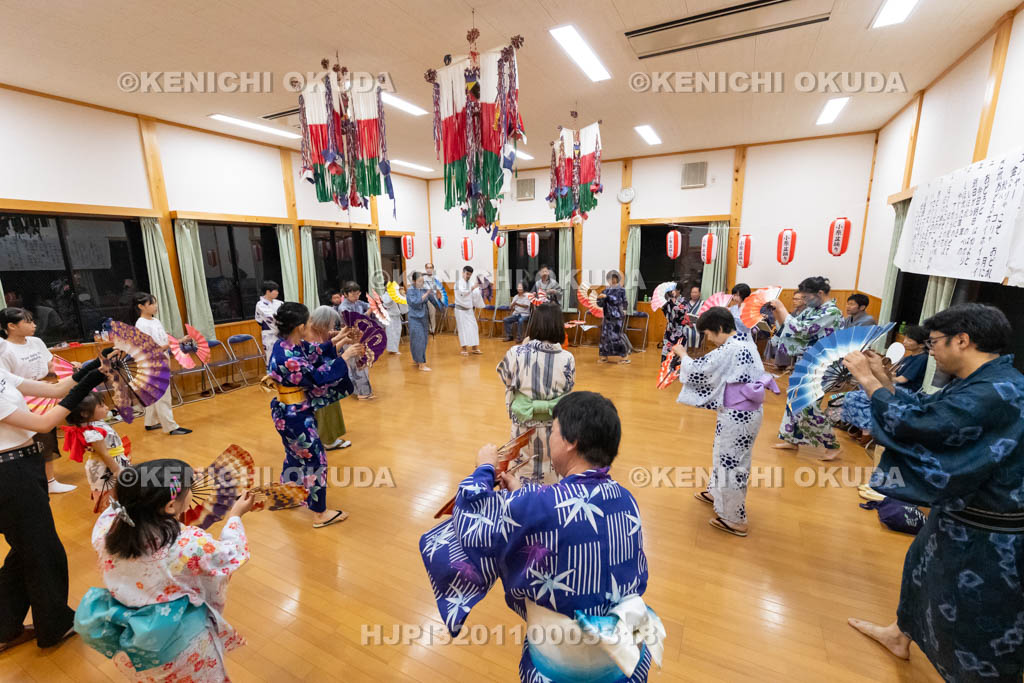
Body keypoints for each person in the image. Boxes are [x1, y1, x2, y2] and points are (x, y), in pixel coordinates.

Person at [419, 391, 665, 682]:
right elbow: (565, 517)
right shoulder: (626, 498)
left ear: (572, 442)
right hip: (626, 661)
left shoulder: (536, 505)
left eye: (555, 432)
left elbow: (474, 518)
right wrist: (520, 497)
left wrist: (484, 468)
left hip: (559, 668)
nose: (550, 439)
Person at [842, 303, 1024, 681]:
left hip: (990, 532)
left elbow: (927, 427)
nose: (931, 351)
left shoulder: (994, 392)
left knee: (974, 620)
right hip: (960, 512)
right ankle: (899, 635)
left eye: (934, 343)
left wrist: (869, 382)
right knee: (920, 572)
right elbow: (929, 410)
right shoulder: (985, 380)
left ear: (963, 340)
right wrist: (884, 380)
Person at [74, 459, 253, 680]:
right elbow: (231, 555)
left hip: (136, 643)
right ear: (169, 506)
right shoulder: (187, 544)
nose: (191, 492)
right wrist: (235, 516)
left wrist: (180, 478)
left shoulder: (108, 527)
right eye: (189, 489)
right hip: (181, 644)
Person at [0, 357, 109, 653]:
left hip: (22, 466)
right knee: (43, 551)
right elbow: (44, 422)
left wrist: (92, 367)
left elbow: (57, 388)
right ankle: (54, 624)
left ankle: (4, 627)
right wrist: (88, 384)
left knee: (27, 550)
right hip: (8, 474)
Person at [673, 308, 777, 537]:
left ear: (719, 328)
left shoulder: (732, 348)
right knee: (724, 453)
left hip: (739, 414)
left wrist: (682, 354)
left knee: (733, 462)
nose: (708, 339)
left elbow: (699, 370)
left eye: (709, 334)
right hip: (741, 413)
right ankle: (716, 493)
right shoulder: (745, 339)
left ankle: (735, 518)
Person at [267, 302, 361, 528]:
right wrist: (344, 357)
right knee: (316, 460)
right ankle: (320, 513)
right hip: (295, 415)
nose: (311, 324)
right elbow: (317, 376)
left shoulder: (287, 345)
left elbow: (315, 352)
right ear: (300, 327)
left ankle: (286, 494)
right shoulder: (288, 357)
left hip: (287, 412)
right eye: (308, 322)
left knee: (294, 455)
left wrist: (340, 341)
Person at [496, 303, 576, 485]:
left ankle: (521, 501)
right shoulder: (568, 358)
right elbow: (568, 389)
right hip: (554, 427)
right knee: (552, 468)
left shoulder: (516, 353)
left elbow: (506, 379)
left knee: (522, 466)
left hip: (524, 426)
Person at [0, 307, 75, 493]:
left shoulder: (36, 342)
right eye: (27, 322)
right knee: (39, 436)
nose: (34, 325)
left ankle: (49, 480)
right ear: (11, 326)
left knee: (48, 438)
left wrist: (70, 368)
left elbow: (50, 365)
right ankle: (45, 481)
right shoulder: (6, 349)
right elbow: (12, 382)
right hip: (24, 396)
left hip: (44, 389)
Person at [769, 277, 842, 458]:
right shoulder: (812, 309)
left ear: (820, 293)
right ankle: (791, 439)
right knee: (794, 399)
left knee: (809, 404)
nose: (805, 301)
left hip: (823, 363)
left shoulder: (832, 311)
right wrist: (778, 313)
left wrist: (782, 308)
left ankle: (832, 445)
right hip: (806, 360)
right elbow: (789, 325)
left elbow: (801, 329)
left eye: (807, 297)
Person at [839, 324, 929, 445]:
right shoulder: (908, 358)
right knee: (855, 393)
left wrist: (883, 375)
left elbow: (902, 380)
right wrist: (882, 372)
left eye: (909, 339)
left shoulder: (922, 358)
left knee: (859, 396)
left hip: (906, 392)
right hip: (896, 387)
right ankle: (860, 426)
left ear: (921, 344)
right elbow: (894, 376)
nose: (905, 341)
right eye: (905, 338)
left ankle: (868, 429)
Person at [133, 293, 191, 436]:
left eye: (155, 303)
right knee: (163, 394)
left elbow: (164, 340)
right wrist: (177, 342)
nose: (155, 306)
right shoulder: (141, 324)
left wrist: (178, 340)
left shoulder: (155, 321)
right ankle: (171, 426)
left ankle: (150, 422)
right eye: (151, 304)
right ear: (141, 306)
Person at [62, 394, 131, 509]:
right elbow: (103, 453)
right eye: (101, 406)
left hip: (111, 461)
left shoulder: (92, 424)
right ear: (85, 413)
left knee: (117, 492)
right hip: (107, 466)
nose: (106, 407)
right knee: (109, 495)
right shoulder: (92, 432)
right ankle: (111, 519)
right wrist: (116, 469)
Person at [307, 306, 352, 450]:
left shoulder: (321, 331)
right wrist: (344, 343)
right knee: (324, 409)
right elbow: (320, 354)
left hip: (326, 375)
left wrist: (344, 337)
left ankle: (330, 436)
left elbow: (328, 348)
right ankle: (328, 440)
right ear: (324, 322)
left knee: (332, 406)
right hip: (318, 379)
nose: (332, 326)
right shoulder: (310, 335)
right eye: (331, 323)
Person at [337, 282, 375, 400]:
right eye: (353, 294)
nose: (356, 296)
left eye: (358, 294)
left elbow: (369, 305)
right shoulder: (343, 307)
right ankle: (362, 393)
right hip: (349, 338)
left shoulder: (358, 303)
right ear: (346, 294)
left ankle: (358, 389)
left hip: (360, 337)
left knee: (361, 364)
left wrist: (372, 306)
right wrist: (368, 313)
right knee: (357, 365)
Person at [406, 272, 441, 372]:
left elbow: (433, 300)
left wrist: (440, 305)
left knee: (424, 340)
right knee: (418, 340)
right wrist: (426, 294)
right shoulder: (410, 290)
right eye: (419, 281)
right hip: (414, 318)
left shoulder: (424, 289)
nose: (422, 283)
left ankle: (418, 359)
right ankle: (421, 364)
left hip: (423, 318)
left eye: (423, 281)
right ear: (414, 281)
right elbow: (415, 302)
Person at [597, 270, 631, 364]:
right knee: (604, 336)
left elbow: (620, 301)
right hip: (607, 315)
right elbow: (601, 304)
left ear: (617, 279)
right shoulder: (605, 290)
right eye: (609, 278)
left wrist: (607, 297)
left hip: (617, 316)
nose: (611, 280)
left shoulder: (621, 290)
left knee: (617, 336)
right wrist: (599, 299)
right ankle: (604, 356)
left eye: (613, 278)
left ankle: (624, 357)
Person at [454, 266, 482, 356]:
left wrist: (479, 289)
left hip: (469, 310)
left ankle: (474, 348)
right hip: (460, 310)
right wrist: (473, 288)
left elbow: (475, 294)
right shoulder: (458, 283)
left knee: (474, 327)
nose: (468, 276)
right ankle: (464, 348)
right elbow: (462, 293)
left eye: (470, 274)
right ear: (463, 273)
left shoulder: (471, 283)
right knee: (463, 329)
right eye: (467, 274)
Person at [255, 280, 283, 362]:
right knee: (271, 357)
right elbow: (271, 317)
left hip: (283, 332)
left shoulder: (279, 303)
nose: (277, 292)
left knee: (283, 356)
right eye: (275, 290)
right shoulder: (260, 304)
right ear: (268, 291)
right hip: (269, 334)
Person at [380, 274, 404, 355]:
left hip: (396, 315)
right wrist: (393, 293)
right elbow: (387, 303)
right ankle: (392, 350)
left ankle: (395, 348)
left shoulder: (394, 294)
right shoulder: (384, 296)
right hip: (390, 317)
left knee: (397, 331)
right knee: (391, 333)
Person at [422, 263, 441, 333]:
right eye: (427, 268)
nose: (429, 269)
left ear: (433, 269)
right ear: (425, 269)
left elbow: (439, 288)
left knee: (432, 313)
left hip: (433, 297)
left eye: (430, 267)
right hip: (424, 297)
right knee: (425, 313)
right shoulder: (423, 278)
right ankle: (428, 328)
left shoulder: (436, 277)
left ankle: (433, 329)